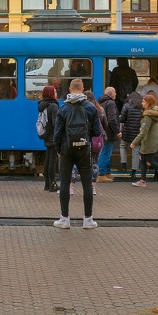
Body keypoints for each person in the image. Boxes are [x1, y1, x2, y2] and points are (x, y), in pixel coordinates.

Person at [53, 78, 101, 229]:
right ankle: (88, 220)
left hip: (67, 150)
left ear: (69, 89)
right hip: (84, 149)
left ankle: (64, 219)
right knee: (87, 184)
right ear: (82, 89)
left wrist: (59, 150)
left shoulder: (64, 108)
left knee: (65, 183)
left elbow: (57, 133)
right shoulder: (91, 108)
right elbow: (98, 131)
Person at [130, 92, 158, 187]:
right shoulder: (154, 112)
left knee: (150, 161)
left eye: (144, 102)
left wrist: (134, 143)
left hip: (148, 141)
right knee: (143, 160)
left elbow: (143, 132)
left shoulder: (148, 115)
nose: (142, 103)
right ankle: (143, 181)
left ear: (148, 103)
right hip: (150, 140)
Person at [38, 85, 61, 192]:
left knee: (48, 160)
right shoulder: (54, 106)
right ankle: (52, 184)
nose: (56, 94)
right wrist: (59, 136)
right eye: (55, 92)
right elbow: (56, 122)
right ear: (51, 94)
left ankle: (47, 184)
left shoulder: (43, 105)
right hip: (53, 135)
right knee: (52, 160)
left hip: (46, 135)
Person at [119, 91, 144, 181]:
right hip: (137, 132)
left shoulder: (126, 106)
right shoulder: (142, 106)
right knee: (136, 151)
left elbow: (122, 119)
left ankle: (123, 165)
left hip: (127, 131)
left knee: (123, 146)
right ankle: (133, 173)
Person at [96, 87, 119, 182]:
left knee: (106, 151)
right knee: (106, 152)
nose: (116, 94)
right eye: (115, 92)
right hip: (109, 132)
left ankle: (107, 172)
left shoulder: (101, 102)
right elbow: (112, 119)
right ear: (111, 94)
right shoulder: (111, 103)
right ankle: (101, 174)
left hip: (103, 131)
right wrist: (117, 131)